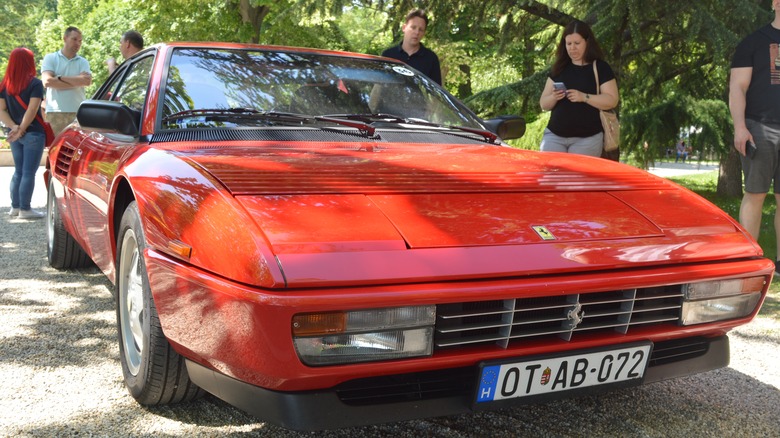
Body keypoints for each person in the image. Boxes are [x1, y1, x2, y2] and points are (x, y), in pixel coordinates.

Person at [729, 0, 780, 272]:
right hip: (759, 127)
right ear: (775, 3)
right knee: (756, 194)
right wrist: (740, 126)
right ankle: (748, 261)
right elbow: (737, 87)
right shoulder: (753, 42)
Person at [539, 20, 619, 157]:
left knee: (579, 179)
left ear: (587, 42)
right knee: (550, 177)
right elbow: (543, 104)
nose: (572, 48)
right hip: (554, 136)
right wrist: (554, 97)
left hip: (588, 139)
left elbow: (612, 100)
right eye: (568, 43)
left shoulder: (600, 68)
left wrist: (584, 97)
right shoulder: (559, 68)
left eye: (577, 43)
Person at [0, 48, 47, 219]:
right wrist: (22, 128)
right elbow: (33, 109)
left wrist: (14, 127)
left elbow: (1, 110)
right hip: (33, 133)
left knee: (18, 171)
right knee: (28, 172)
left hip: (14, 135)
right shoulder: (35, 83)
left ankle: (15, 207)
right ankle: (25, 209)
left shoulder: (5, 85)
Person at [41, 26, 92, 135]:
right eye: (74, 39)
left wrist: (60, 78)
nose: (77, 43)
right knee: (56, 149)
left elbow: (87, 82)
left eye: (80, 41)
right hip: (55, 112)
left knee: (76, 149)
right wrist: (78, 81)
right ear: (65, 38)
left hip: (77, 112)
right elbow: (47, 82)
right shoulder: (50, 58)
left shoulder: (83, 62)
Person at [381, 9, 442, 85]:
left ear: (424, 33)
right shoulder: (388, 55)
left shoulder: (431, 59)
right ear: (404, 28)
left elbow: (436, 93)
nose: (417, 32)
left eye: (421, 29)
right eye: (413, 27)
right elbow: (379, 86)